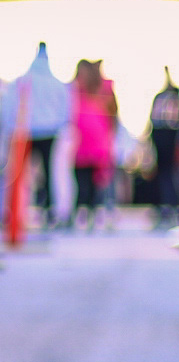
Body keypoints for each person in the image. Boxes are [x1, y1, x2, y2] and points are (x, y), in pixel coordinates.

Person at [3, 44, 70, 226]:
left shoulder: (22, 81)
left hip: (24, 132)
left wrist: (10, 128)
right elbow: (66, 111)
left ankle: (13, 211)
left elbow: (8, 107)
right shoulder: (56, 84)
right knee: (46, 173)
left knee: (19, 174)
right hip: (45, 132)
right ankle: (49, 210)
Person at [69, 59, 117, 233]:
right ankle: (94, 213)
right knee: (94, 180)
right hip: (93, 140)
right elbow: (113, 113)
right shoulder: (100, 87)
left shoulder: (80, 87)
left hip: (88, 141)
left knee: (85, 180)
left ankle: (86, 214)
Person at [148, 69, 179, 229]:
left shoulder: (172, 97)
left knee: (168, 174)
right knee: (166, 173)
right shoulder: (171, 97)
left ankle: (170, 207)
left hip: (168, 136)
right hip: (164, 136)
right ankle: (168, 207)